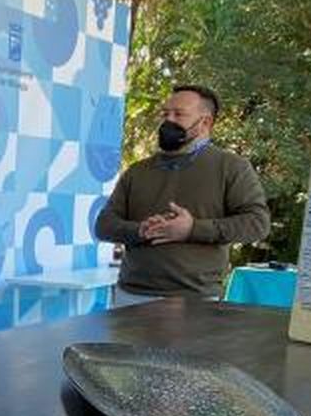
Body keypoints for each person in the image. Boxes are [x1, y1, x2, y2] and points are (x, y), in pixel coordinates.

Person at [94, 84, 270, 300]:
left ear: (205, 122)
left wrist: (192, 229)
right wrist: (141, 230)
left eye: (179, 114)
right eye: (165, 113)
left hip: (195, 302)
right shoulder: (137, 171)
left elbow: (257, 224)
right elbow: (104, 226)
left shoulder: (232, 167)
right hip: (130, 295)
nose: (168, 121)